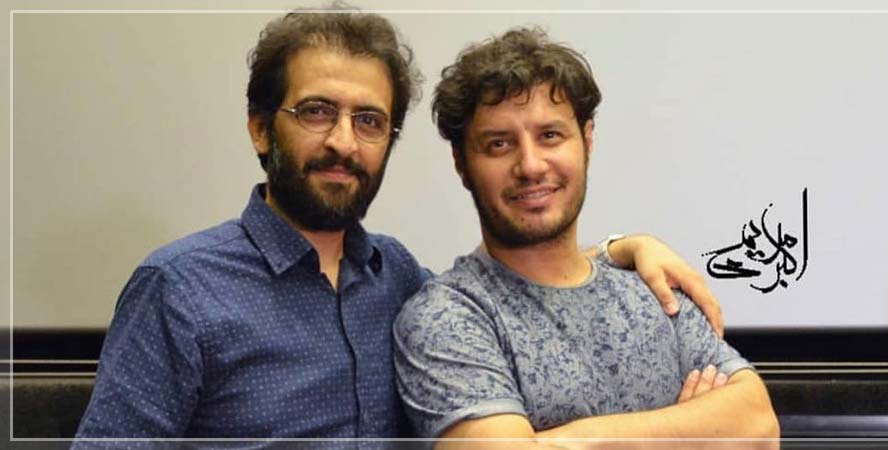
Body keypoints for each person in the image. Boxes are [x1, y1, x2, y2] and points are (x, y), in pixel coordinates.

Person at [73, 8, 724, 443]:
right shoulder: (180, 289)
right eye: (316, 112)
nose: (343, 142)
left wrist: (619, 249)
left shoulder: (398, 277)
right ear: (261, 128)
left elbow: (528, 273)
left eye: (369, 121)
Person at [393, 27, 780, 449]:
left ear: (587, 140)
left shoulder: (655, 290)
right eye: (499, 144)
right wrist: (693, 432)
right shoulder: (447, 316)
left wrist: (562, 441)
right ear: (461, 164)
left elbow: (759, 425)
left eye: (550, 136)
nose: (531, 166)